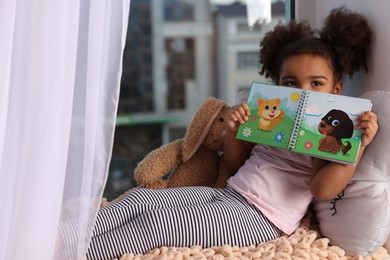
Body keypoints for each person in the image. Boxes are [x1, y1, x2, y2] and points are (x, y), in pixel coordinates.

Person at [61, 7, 378, 260]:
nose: (303, 91)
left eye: (316, 84)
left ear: (336, 90)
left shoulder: (331, 130)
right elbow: (236, 163)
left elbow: (322, 190)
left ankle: (78, 254)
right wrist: (235, 130)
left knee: (158, 224)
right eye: (291, 83)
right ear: (279, 85)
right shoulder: (274, 117)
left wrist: (357, 146)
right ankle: (60, 237)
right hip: (230, 192)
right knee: (141, 199)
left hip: (261, 220)